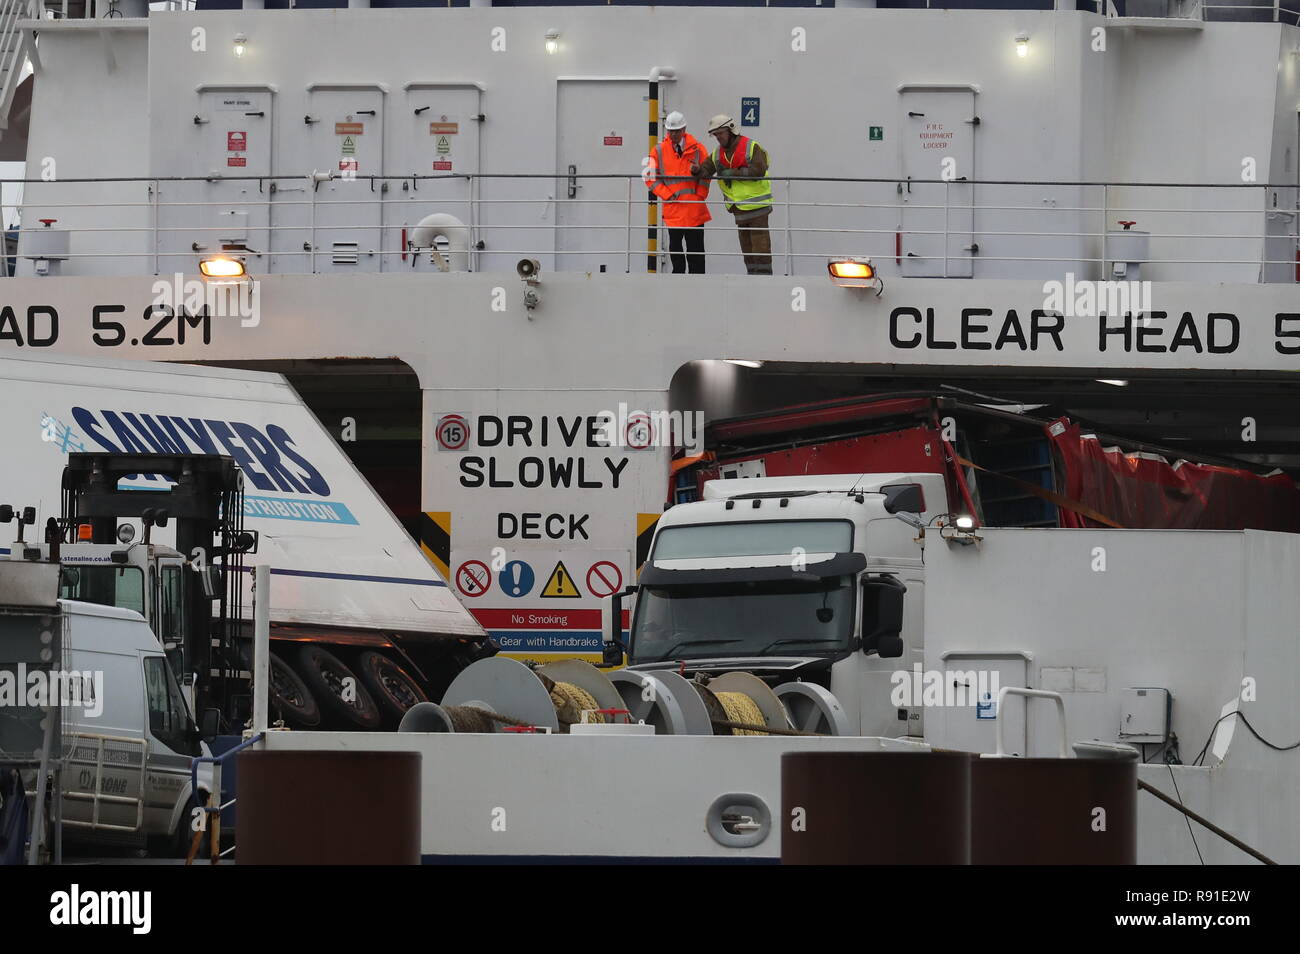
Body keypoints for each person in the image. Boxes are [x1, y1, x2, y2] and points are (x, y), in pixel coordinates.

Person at [691, 114, 773, 275]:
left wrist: (733, 173)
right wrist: (697, 170)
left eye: (720, 133)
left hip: (757, 208)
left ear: (731, 130)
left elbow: (759, 170)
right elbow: (706, 169)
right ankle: (752, 279)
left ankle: (764, 280)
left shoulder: (751, 147)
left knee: (761, 249)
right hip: (739, 210)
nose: (718, 138)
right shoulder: (718, 153)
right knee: (748, 250)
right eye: (715, 135)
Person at [645, 111, 711, 274]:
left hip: (693, 209)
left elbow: (707, 173)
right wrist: (667, 194)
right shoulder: (659, 150)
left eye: (677, 130)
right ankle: (678, 282)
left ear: (684, 129)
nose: (673, 134)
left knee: (696, 253)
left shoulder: (697, 149)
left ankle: (698, 284)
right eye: (670, 131)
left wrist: (700, 195)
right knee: (675, 252)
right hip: (674, 209)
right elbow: (650, 177)